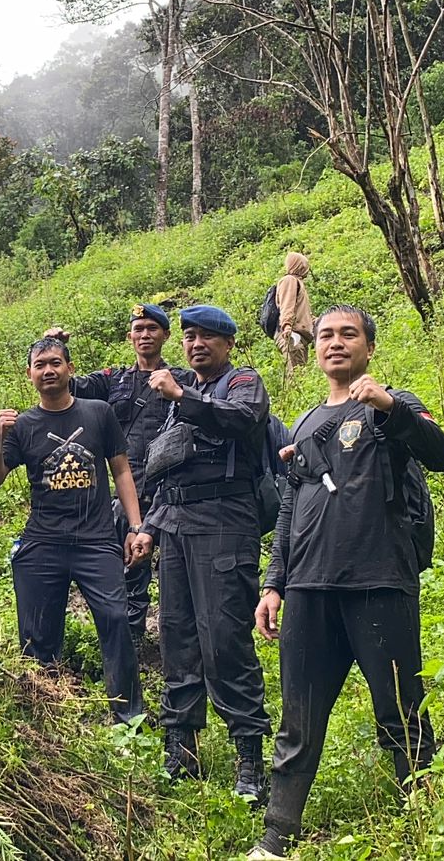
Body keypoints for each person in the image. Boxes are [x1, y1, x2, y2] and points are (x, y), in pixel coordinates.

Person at [247, 305, 444, 860]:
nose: (335, 343)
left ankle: (427, 831)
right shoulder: (307, 422)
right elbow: (292, 504)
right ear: (313, 348)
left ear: (368, 345)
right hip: (310, 590)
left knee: (400, 712)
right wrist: (274, 585)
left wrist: (390, 407)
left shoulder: (395, 404)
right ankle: (274, 841)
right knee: (298, 722)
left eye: (348, 334)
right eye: (325, 335)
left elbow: (443, 455)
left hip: (378, 582)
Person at [127, 305, 273, 797]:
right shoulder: (181, 396)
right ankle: (181, 747)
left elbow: (242, 419)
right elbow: (167, 468)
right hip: (177, 527)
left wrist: (182, 395)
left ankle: (249, 756)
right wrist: (148, 525)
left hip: (226, 523)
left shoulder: (241, 383)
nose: (195, 345)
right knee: (178, 635)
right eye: (189, 337)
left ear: (227, 344)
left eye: (207, 337)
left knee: (224, 638)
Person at [0, 337, 148, 724]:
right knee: (37, 635)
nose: (48, 371)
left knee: (116, 619)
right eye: (40, 365)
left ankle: (128, 716)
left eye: (55, 363)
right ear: (30, 375)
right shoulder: (22, 425)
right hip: (43, 541)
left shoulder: (98, 412)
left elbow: (121, 470)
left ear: (70, 368)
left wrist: (135, 525)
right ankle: (46, 713)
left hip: (96, 540)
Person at [45, 302, 184, 644]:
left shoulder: (182, 379)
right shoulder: (114, 379)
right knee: (130, 562)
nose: (145, 335)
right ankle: (132, 639)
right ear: (129, 337)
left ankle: (176, 638)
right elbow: (67, 386)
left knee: (175, 567)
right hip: (130, 484)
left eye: (152, 328)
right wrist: (56, 347)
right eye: (138, 330)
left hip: (172, 484)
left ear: (166, 335)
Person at [274, 252, 314, 374]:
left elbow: (304, 314)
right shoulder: (289, 281)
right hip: (292, 334)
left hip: (298, 335)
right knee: (297, 376)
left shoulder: (297, 282)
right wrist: (287, 326)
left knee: (300, 373)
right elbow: (287, 306)